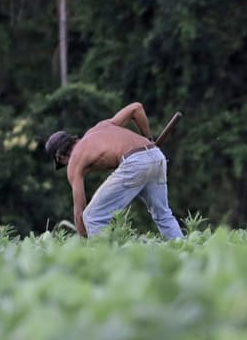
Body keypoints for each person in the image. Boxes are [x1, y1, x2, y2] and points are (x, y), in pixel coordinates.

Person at [44, 102, 183, 240]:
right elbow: (136, 108)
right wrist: (148, 139)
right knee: (163, 215)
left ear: (60, 156)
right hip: (156, 156)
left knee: (92, 217)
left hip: (133, 163)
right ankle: (181, 248)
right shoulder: (100, 127)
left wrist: (83, 238)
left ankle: (104, 259)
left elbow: (79, 211)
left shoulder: (74, 160)